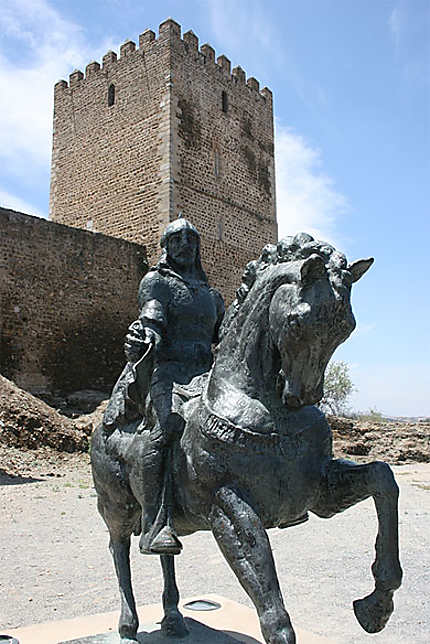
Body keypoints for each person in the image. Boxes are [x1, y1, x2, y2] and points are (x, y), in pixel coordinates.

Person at [121, 217, 225, 554]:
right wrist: (146, 332)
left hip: (207, 372)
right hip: (170, 371)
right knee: (164, 429)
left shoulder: (210, 295)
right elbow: (152, 316)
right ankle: (156, 523)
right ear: (166, 247)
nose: (185, 245)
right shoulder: (157, 282)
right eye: (177, 240)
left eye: (191, 240)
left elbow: (222, 336)